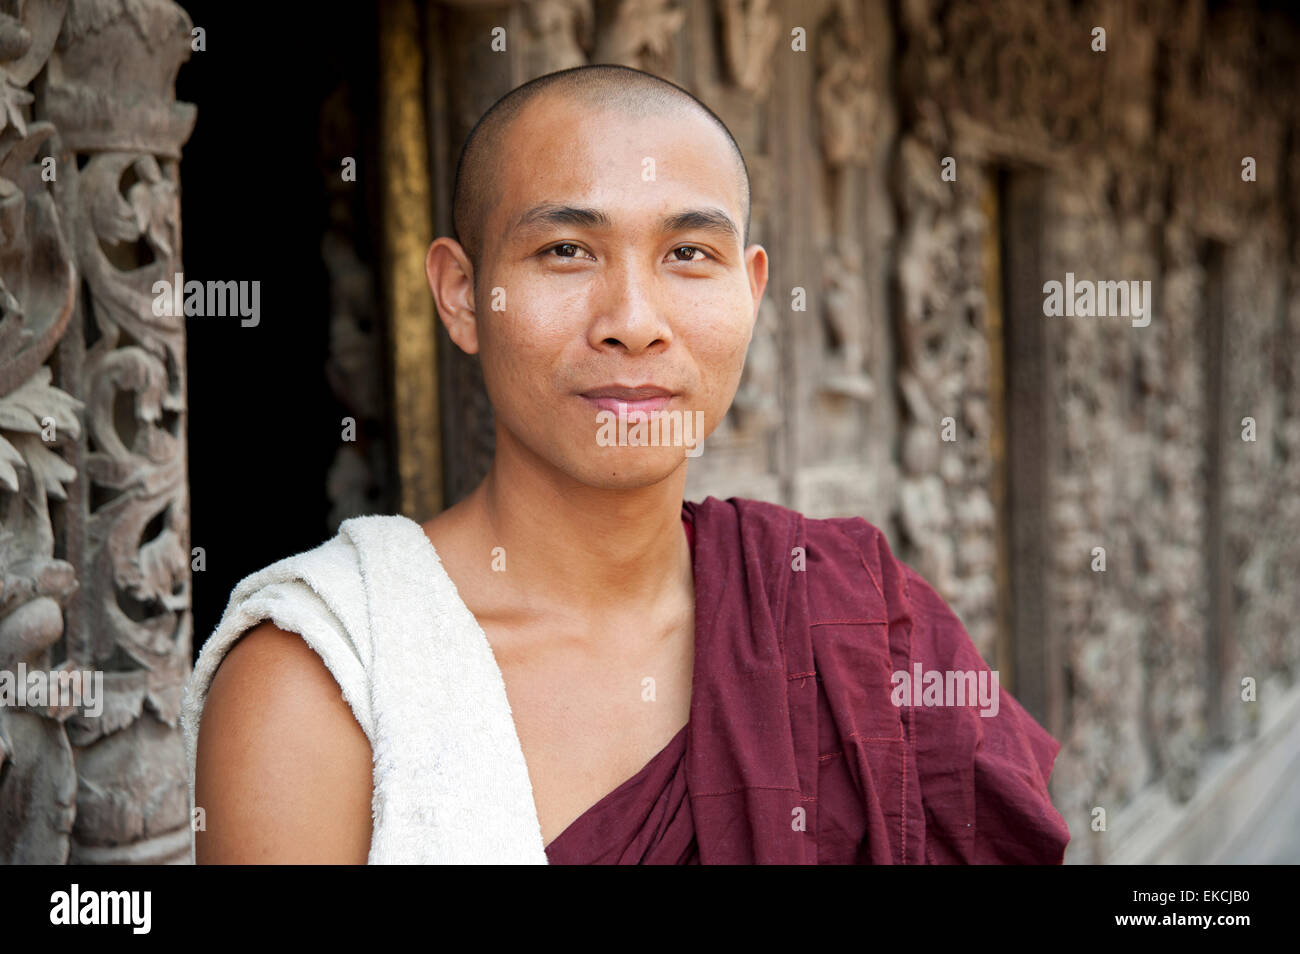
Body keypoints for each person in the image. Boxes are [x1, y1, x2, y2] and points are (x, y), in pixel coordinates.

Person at [186, 64, 1070, 864]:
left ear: (751, 292)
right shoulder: (320, 679)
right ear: (461, 296)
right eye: (566, 250)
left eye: (690, 254)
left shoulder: (851, 613)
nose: (634, 320)